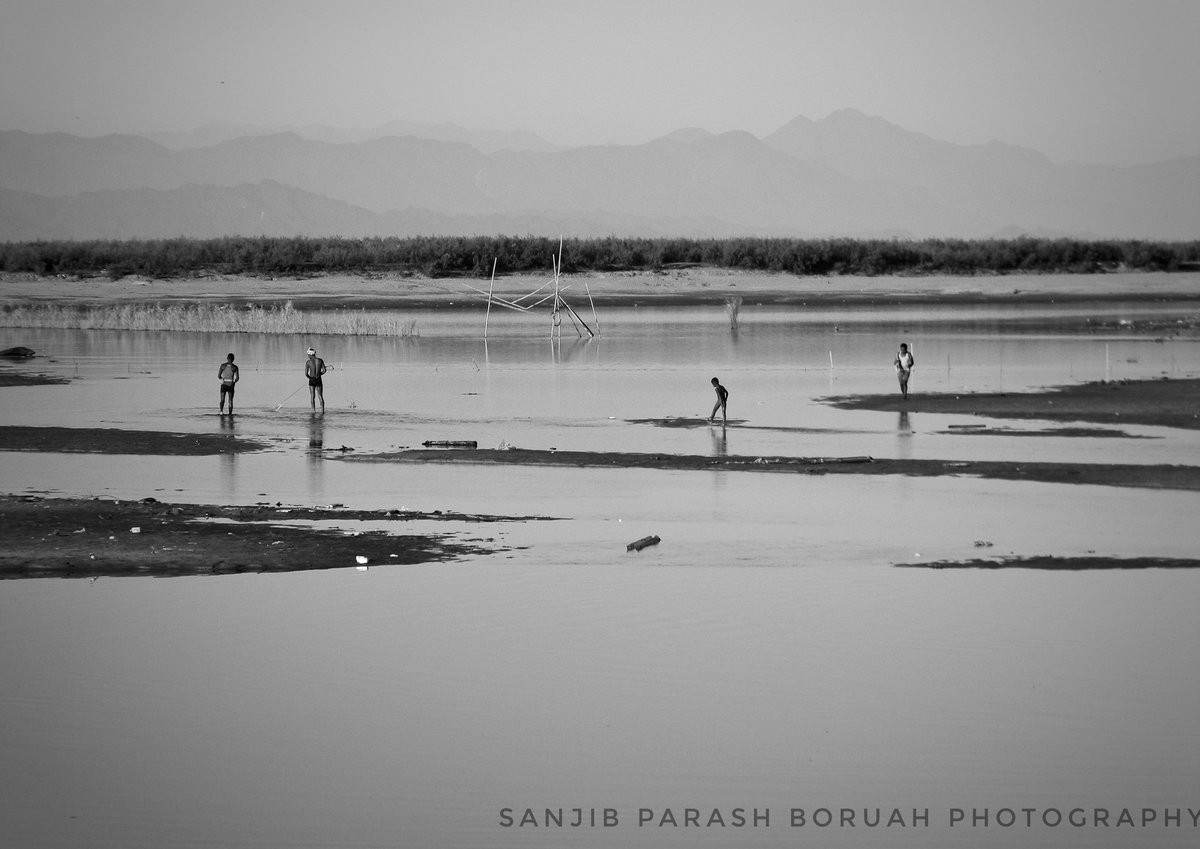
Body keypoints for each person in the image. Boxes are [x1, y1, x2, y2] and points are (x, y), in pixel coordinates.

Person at [305, 346, 327, 412]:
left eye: (308, 354)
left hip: (311, 380)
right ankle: (322, 411)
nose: (308, 356)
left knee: (312, 396)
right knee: (320, 396)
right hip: (318, 379)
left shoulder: (308, 362)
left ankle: (313, 411)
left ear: (310, 354)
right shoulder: (320, 360)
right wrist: (320, 374)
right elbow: (324, 370)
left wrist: (310, 378)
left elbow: (306, 374)